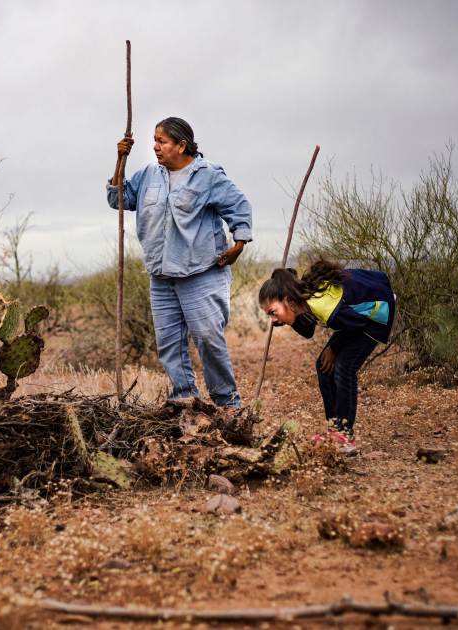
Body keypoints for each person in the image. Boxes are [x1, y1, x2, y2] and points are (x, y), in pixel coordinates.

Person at [108, 117, 253, 408]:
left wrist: (239, 244)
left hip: (201, 272)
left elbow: (238, 207)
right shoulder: (149, 174)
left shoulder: (207, 175)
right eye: (155, 140)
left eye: (162, 141)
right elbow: (119, 200)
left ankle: (228, 405)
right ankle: (185, 402)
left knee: (208, 337)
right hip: (161, 275)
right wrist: (120, 160)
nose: (155, 146)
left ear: (181, 145)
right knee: (169, 344)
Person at [258, 260, 395, 445]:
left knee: (343, 366)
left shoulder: (322, 305)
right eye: (270, 315)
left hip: (374, 315)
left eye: (273, 312)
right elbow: (308, 331)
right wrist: (285, 321)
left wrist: (334, 347)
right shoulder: (303, 298)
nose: (273, 319)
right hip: (354, 321)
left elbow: (357, 325)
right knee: (323, 366)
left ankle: (345, 436)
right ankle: (334, 429)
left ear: (288, 301)